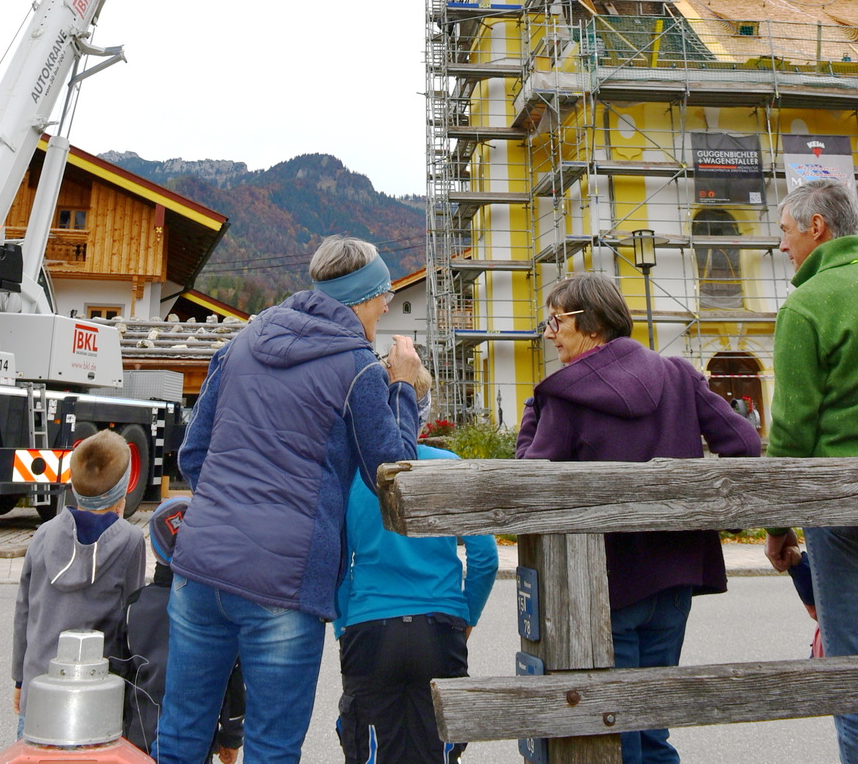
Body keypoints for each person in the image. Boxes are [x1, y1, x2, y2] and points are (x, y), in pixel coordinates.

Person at [156, 236, 422, 764]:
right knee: (272, 748)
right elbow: (393, 478)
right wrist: (404, 388)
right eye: (384, 295)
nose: (387, 305)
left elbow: (193, 454)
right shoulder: (359, 367)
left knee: (181, 734)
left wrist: (229, 511)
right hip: (285, 582)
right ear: (362, 297)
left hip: (200, 567)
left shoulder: (241, 343)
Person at [517, 273, 760, 764]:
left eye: (556, 321)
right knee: (651, 727)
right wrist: (709, 511)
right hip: (675, 574)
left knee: (616, 732)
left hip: (604, 582)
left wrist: (533, 410)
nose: (549, 333)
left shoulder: (564, 395)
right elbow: (745, 443)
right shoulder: (678, 375)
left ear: (591, 324)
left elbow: (530, 483)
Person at [334, 366, 498, 764]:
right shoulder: (450, 466)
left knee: (370, 746)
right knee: (438, 744)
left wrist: (343, 624)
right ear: (422, 410)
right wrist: (465, 615)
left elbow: (338, 561)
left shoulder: (355, 473)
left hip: (370, 624)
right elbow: (485, 557)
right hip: (438, 622)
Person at [764, 178, 858, 763]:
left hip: (840, 507)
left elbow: (792, 432)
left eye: (785, 232)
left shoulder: (808, 304)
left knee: (850, 671)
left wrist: (777, 526)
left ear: (816, 227)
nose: (782, 246)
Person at [11, 430, 145, 732]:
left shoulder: (44, 533)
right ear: (122, 491)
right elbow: (131, 619)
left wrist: (20, 679)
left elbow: (24, 612)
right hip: (96, 695)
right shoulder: (130, 541)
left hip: (39, 686)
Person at [124, 496, 243, 762]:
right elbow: (233, 678)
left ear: (154, 549)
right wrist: (231, 736)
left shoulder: (135, 607)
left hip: (137, 739)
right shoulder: (217, 610)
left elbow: (119, 672)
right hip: (197, 739)